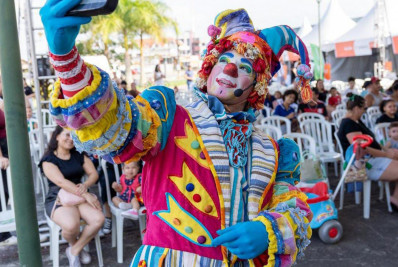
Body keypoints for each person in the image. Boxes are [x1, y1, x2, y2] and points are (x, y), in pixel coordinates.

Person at [41, 4, 313, 266]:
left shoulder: (274, 151)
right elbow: (116, 127)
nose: (229, 70)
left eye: (245, 67)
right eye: (224, 60)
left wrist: (269, 231)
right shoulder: (168, 114)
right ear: (209, 67)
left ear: (257, 85)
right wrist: (67, 61)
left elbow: (295, 207)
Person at [39, 126, 104, 267]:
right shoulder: (48, 159)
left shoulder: (79, 154)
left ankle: (74, 250)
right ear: (56, 136)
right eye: (67, 135)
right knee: (71, 225)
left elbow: (94, 174)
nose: (71, 139)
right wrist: (86, 194)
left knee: (98, 219)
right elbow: (60, 181)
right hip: (59, 196)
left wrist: (85, 185)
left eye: (74, 137)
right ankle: (77, 246)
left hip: (79, 195)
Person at [337, 95, 398, 209]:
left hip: (373, 158)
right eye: (364, 109)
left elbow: (372, 141)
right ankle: (395, 198)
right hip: (364, 164)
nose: (364, 112)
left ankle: (395, 198)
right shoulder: (349, 124)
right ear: (356, 109)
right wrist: (386, 154)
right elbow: (361, 148)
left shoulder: (356, 121)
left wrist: (386, 149)